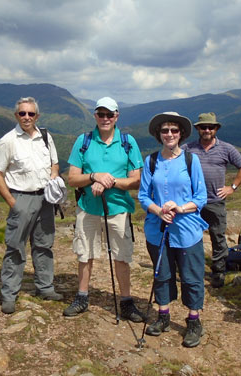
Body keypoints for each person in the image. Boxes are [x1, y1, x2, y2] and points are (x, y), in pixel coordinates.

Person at [63, 97, 145, 322]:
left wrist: (108, 181)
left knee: (121, 256)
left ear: (117, 116)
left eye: (110, 114)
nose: (105, 118)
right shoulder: (84, 140)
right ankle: (82, 297)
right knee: (84, 254)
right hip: (88, 207)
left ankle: (126, 302)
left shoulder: (128, 142)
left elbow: (136, 180)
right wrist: (93, 177)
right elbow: (72, 178)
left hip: (118, 208)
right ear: (95, 116)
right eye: (101, 114)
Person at [138, 112, 209, 347]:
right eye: (165, 130)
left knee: (191, 277)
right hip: (157, 230)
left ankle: (194, 320)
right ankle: (163, 315)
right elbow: (143, 195)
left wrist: (179, 208)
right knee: (162, 273)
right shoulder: (151, 161)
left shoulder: (191, 161)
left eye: (174, 130)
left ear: (181, 134)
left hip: (187, 230)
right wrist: (159, 211)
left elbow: (200, 197)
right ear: (159, 134)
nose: (169, 134)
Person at [0, 97, 63, 315]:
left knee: (44, 245)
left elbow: (55, 163)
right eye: (22, 113)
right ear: (16, 116)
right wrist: (12, 202)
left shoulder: (46, 137)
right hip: (21, 197)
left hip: (45, 199)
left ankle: (45, 287)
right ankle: (9, 294)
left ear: (37, 116)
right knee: (15, 247)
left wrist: (54, 178)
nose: (27, 117)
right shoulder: (8, 141)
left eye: (31, 114)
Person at [182, 112, 241, 288]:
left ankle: (218, 271)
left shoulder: (226, 149)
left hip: (214, 201)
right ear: (197, 128)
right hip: (192, 201)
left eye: (210, 127)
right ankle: (190, 269)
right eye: (203, 127)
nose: (207, 130)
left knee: (218, 236)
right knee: (190, 236)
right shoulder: (188, 148)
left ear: (216, 128)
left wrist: (232, 187)